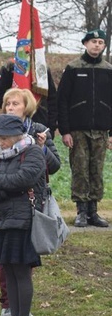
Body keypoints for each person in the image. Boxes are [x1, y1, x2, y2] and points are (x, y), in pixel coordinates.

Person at [0, 88, 61, 316]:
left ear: (27, 107)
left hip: (28, 208)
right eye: (7, 104)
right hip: (2, 211)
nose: (10, 107)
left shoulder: (39, 134)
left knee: (21, 266)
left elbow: (45, 169)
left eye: (15, 104)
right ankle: (9, 308)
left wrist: (41, 149)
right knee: (7, 264)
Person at [0, 114, 46, 316]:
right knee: (8, 270)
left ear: (15, 136)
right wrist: (4, 185)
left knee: (21, 271)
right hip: (2, 220)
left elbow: (23, 180)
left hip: (23, 221)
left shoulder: (33, 152)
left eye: (3, 138)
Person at [57, 28, 112, 228]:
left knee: (96, 169)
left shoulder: (108, 69)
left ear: (104, 45)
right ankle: (80, 210)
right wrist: (65, 130)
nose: (97, 45)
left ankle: (93, 211)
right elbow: (62, 100)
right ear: (85, 44)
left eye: (100, 42)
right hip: (78, 130)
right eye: (93, 41)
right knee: (80, 169)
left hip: (101, 129)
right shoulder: (73, 68)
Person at [0, 59, 57, 137]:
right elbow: (0, 97)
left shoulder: (42, 68)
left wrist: (51, 127)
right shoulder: (10, 67)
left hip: (41, 123)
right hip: (12, 126)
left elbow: (52, 100)